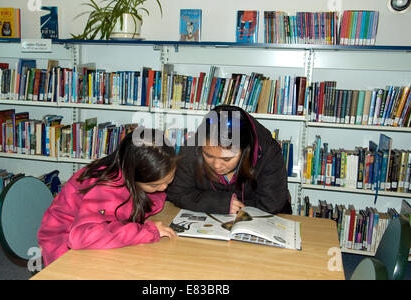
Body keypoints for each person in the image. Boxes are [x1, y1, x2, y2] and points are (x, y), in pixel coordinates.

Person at [38, 128, 178, 266]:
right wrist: (147, 231)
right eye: (154, 185)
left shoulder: (128, 170)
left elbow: (147, 202)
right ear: (132, 176)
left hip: (93, 240)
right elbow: (82, 237)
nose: (164, 188)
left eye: (169, 180)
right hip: (63, 248)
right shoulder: (105, 187)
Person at [167, 105, 292, 215]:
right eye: (208, 156)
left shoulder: (268, 150)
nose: (216, 165)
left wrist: (232, 206)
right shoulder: (191, 148)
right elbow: (177, 193)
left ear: (245, 150)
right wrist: (220, 204)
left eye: (227, 159)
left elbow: (271, 203)